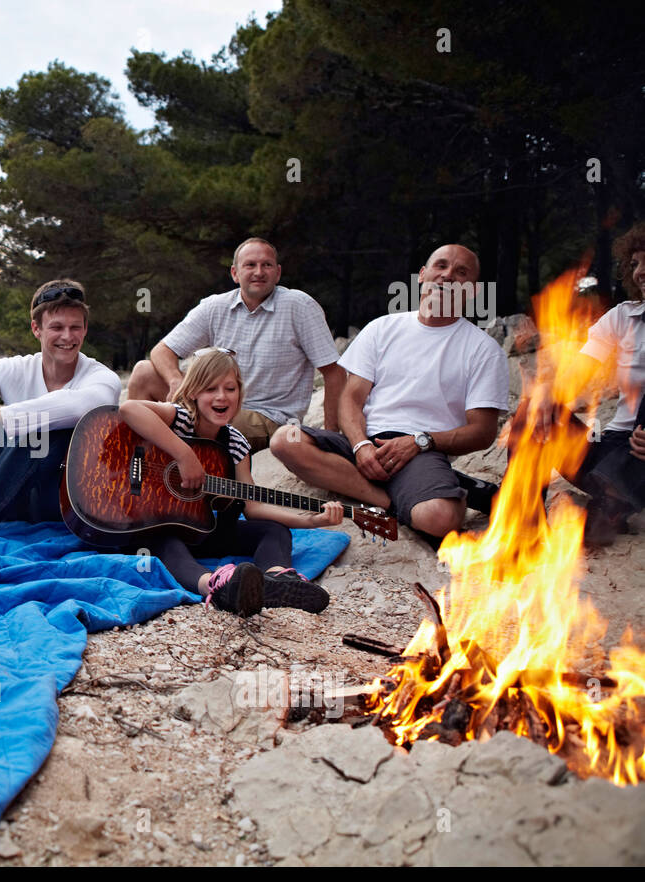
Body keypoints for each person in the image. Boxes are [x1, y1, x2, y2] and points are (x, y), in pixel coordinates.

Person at [270, 244, 510, 540]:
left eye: (461, 273)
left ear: (473, 291)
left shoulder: (484, 350)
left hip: (423, 451)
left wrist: (419, 442)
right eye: (441, 266)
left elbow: (483, 432)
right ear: (423, 275)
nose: (447, 276)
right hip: (364, 441)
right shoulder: (382, 328)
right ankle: (388, 502)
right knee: (285, 440)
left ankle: (429, 488)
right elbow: (351, 398)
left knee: (440, 518)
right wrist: (360, 445)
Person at [121, 350, 343, 616]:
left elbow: (253, 507)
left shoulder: (236, 443)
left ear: (239, 394)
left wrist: (311, 521)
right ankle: (216, 585)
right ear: (192, 392)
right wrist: (184, 455)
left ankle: (277, 581)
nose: (221, 396)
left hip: (201, 528)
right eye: (210, 388)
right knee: (164, 542)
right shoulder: (178, 418)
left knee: (275, 530)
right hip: (156, 521)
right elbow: (129, 408)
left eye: (230, 388)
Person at [0, 279, 121, 525]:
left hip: (53, 498)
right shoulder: (19, 367)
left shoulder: (101, 377)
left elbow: (80, 406)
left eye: (75, 327)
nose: (67, 337)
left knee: (44, 430)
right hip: (3, 485)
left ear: (85, 329)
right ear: (36, 329)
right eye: (57, 327)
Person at [128, 238, 345, 452]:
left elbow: (334, 373)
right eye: (250, 265)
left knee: (206, 416)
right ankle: (135, 460)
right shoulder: (215, 306)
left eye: (266, 265)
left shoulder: (300, 306)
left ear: (277, 273)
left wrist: (330, 437)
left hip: (268, 416)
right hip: (216, 401)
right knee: (143, 372)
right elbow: (162, 350)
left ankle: (170, 455)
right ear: (235, 273)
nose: (259, 272)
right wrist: (176, 380)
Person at [514, 223, 645, 546]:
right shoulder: (623, 319)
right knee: (536, 406)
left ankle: (612, 504)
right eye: (635, 263)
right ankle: (525, 525)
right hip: (612, 452)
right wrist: (547, 392)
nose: (641, 272)